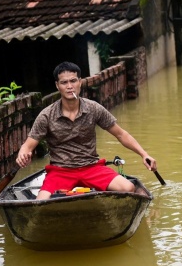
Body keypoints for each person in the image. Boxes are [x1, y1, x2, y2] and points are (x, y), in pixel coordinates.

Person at [15, 61, 157, 200]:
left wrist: (144, 154)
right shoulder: (46, 115)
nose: (70, 86)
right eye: (64, 83)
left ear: (80, 82)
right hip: (60, 171)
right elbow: (28, 145)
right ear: (57, 86)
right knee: (41, 202)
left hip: (92, 167)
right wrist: (23, 155)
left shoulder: (93, 108)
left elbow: (121, 134)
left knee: (128, 188)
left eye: (73, 81)